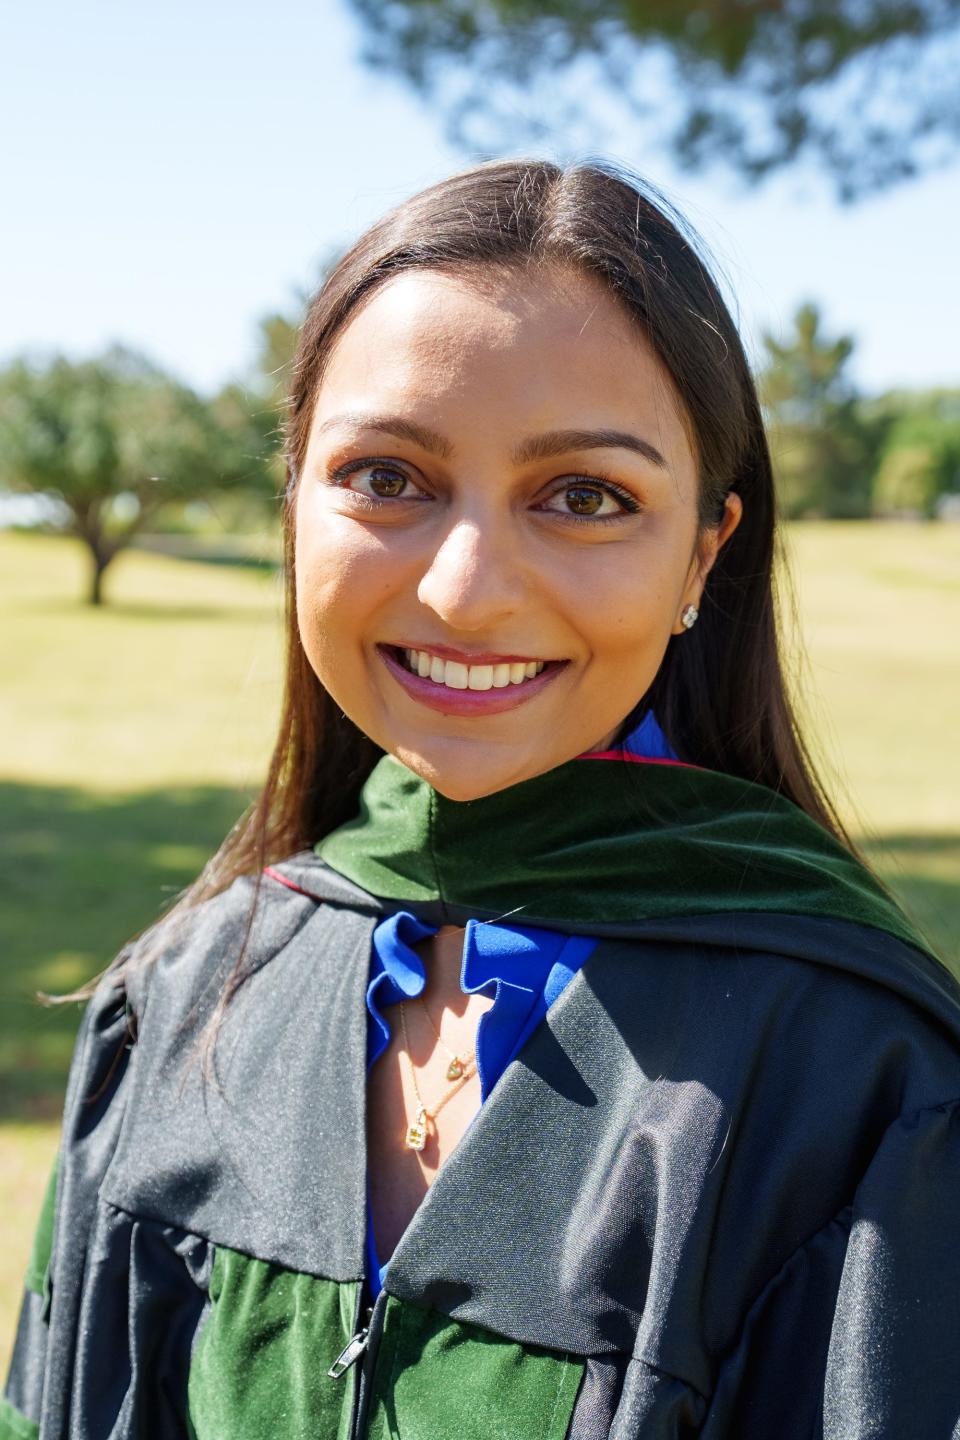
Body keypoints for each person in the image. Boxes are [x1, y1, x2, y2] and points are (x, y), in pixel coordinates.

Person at [3, 159, 959, 1440]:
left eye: (585, 497)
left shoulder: (855, 1082)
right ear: (295, 503)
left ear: (704, 553)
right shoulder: (183, 999)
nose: (464, 590)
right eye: (388, 478)